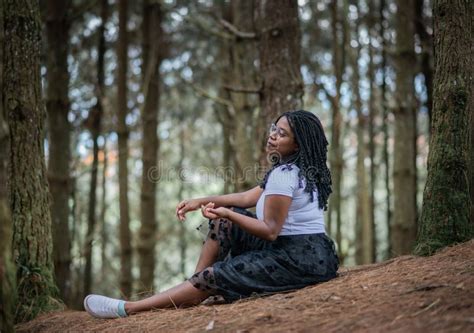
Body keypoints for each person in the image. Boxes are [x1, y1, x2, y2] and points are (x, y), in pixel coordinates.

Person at [84, 110, 339, 319]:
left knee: (221, 246)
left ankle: (128, 309)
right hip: (312, 252)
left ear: (297, 143)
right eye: (274, 127)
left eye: (281, 134)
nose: (272, 135)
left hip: (297, 259)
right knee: (221, 222)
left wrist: (229, 213)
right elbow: (249, 198)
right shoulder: (302, 168)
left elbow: (270, 231)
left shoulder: (286, 175)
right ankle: (194, 286)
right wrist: (202, 201)